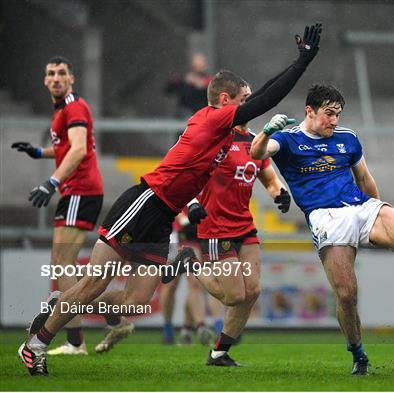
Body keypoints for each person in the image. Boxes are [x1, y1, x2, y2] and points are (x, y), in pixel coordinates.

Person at [18, 23, 322, 376]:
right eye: (243, 100)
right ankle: (36, 343)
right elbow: (266, 99)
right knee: (95, 282)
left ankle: (60, 305)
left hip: (163, 217)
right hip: (145, 202)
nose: (248, 108)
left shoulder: (226, 134)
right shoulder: (212, 120)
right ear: (226, 101)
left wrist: (299, 62)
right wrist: (301, 63)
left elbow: (261, 99)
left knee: (134, 302)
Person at [249, 84, 394, 376]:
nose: (334, 121)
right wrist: (268, 130)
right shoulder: (287, 139)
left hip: (361, 207)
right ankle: (358, 354)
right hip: (326, 218)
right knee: (347, 295)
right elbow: (257, 151)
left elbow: (365, 179)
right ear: (309, 111)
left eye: (338, 114)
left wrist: (379, 216)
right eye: (329, 114)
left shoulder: (347, 138)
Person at [12, 56, 104, 356]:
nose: (55, 78)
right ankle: (90, 331)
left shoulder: (74, 107)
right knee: (62, 265)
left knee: (63, 264)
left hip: (80, 190)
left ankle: (82, 337)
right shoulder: (64, 110)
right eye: (50, 73)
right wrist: (39, 152)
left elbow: (78, 150)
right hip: (78, 191)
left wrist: (50, 183)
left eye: (62, 73)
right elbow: (68, 147)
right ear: (44, 80)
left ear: (72, 79)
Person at [184, 122, 291, 366]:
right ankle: (190, 264)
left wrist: (279, 193)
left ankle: (219, 353)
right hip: (216, 227)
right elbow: (186, 174)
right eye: (244, 99)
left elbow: (270, 179)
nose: (249, 104)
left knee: (252, 291)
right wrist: (192, 203)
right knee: (233, 297)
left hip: (244, 226)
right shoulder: (213, 137)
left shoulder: (255, 142)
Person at [159, 212, 222, 345]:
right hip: (178, 233)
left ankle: (195, 328)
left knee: (195, 282)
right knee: (170, 285)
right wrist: (183, 220)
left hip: (201, 233)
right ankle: (168, 326)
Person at [164, 53, 212, 117]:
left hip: (202, 115)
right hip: (185, 115)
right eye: (196, 64)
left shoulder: (210, 82)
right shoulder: (183, 80)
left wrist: (202, 86)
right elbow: (168, 91)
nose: (198, 67)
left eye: (200, 64)